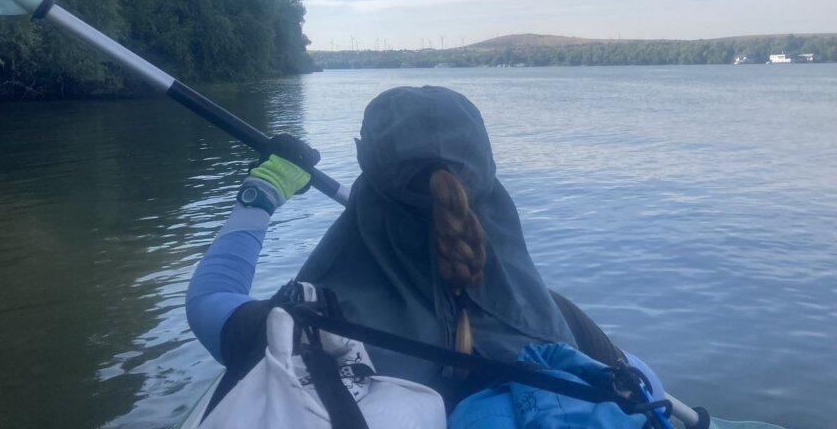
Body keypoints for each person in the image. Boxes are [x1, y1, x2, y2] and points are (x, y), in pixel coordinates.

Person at [186, 85, 662, 416]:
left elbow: (209, 298)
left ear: (367, 177)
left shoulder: (296, 333)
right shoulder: (561, 327)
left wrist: (264, 191)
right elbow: (641, 385)